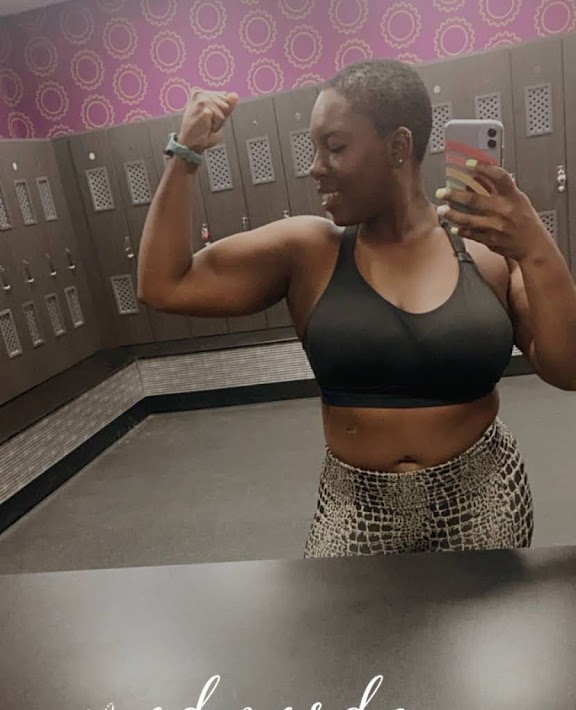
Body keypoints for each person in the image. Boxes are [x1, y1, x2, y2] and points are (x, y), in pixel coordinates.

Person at [138, 60, 576, 558]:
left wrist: (535, 247)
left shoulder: (487, 251)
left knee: (484, 611)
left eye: (335, 147)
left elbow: (567, 368)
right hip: (357, 506)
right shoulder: (309, 251)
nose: (315, 166)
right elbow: (164, 285)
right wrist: (185, 152)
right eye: (315, 148)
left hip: (482, 496)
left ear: (398, 147)